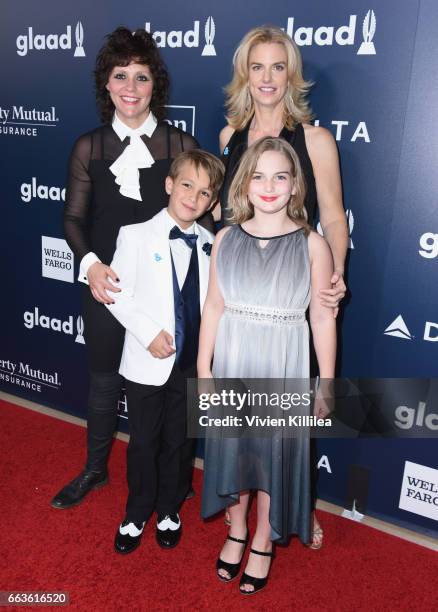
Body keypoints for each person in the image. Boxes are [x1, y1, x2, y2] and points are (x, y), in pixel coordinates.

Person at [51, 27, 205, 510]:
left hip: (168, 292)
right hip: (108, 286)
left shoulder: (180, 143)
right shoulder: (89, 147)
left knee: (170, 388)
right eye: (121, 76)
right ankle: (95, 470)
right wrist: (92, 266)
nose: (131, 87)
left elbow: (204, 211)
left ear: (153, 85)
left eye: (141, 77)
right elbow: (73, 217)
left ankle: (168, 479)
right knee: (102, 384)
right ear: (106, 84)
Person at [217, 25, 348, 544]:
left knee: (287, 421)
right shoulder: (229, 138)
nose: (267, 77)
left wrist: (333, 276)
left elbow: (334, 218)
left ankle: (297, 508)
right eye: (257, 66)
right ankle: (240, 520)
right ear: (244, 76)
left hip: (292, 298)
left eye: (277, 66)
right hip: (240, 295)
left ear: (290, 75)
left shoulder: (315, 140)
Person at [199, 137, 336, 594]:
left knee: (272, 456)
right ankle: (237, 529)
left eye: (281, 175)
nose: (269, 185)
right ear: (244, 183)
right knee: (235, 453)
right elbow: (214, 307)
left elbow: (321, 316)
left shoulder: (312, 244)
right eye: (258, 175)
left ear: (296, 184)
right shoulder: (225, 238)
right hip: (233, 360)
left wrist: (327, 383)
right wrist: (203, 367)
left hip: (283, 364)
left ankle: (262, 538)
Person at [102, 149, 224, 552]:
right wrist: (147, 332)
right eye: (187, 185)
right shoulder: (135, 235)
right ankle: (137, 512)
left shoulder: (212, 243)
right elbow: (117, 295)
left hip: (191, 365)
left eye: (205, 193)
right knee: (143, 442)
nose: (193, 197)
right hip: (145, 364)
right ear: (170, 185)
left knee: (181, 442)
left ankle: (170, 508)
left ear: (212, 201)